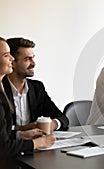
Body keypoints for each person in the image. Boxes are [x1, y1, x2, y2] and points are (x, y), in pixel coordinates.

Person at [0, 37, 55, 168]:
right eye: (6, 55)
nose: (11, 59)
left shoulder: (36, 88)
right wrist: (39, 143)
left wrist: (21, 134)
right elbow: (3, 147)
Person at [3, 37, 69, 133]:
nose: (33, 63)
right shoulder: (1, 88)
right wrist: (22, 129)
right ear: (12, 62)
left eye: (33, 58)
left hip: (36, 145)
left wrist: (52, 124)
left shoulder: (37, 88)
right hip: (9, 146)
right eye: (27, 59)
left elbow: (63, 118)